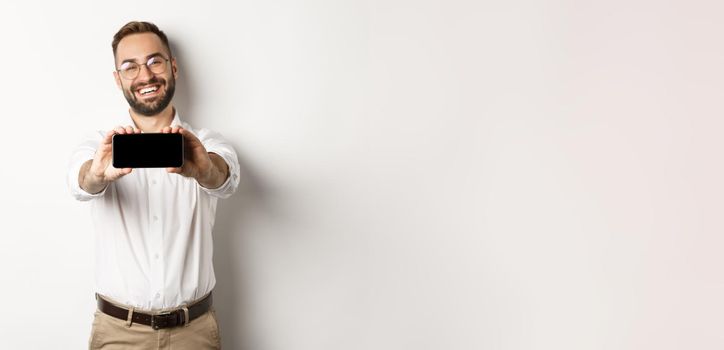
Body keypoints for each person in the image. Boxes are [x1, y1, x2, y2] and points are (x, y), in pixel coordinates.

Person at [67, 21, 240, 350]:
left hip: (195, 333)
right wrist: (97, 175)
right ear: (118, 80)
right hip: (118, 333)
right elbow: (81, 181)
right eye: (130, 67)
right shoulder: (98, 147)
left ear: (172, 67)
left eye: (154, 61)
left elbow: (225, 177)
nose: (145, 76)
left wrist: (204, 170)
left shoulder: (206, 143)